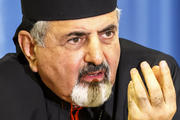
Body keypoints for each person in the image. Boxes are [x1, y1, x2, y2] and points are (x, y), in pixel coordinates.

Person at [0, 0, 179, 119]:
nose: (97, 57)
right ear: (31, 49)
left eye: (107, 34)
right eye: (75, 39)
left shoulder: (155, 81)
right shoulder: (5, 92)